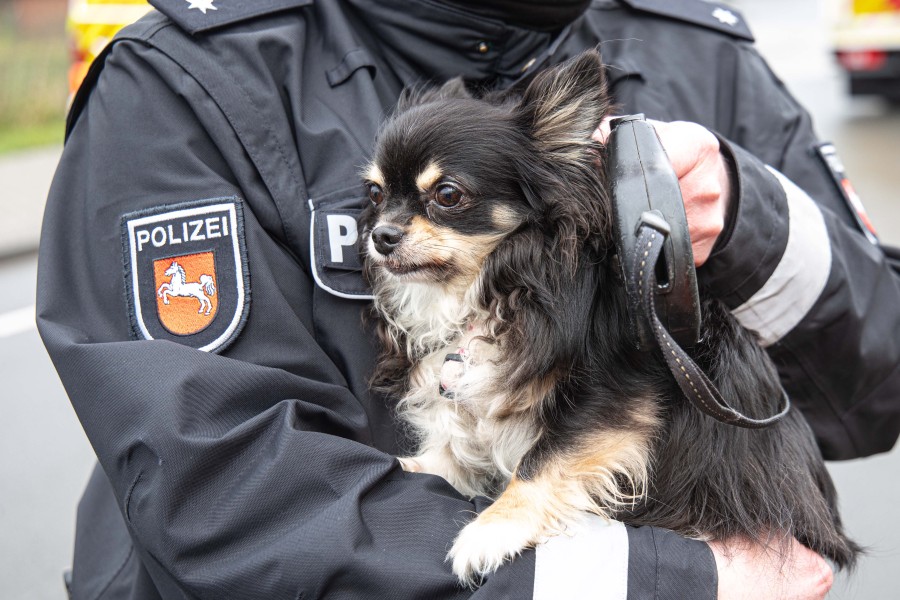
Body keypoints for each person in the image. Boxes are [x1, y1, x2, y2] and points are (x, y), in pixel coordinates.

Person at [37, 0, 900, 598]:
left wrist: (748, 221)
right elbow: (222, 489)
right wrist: (665, 584)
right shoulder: (188, 81)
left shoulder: (702, 55)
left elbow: (878, 385)